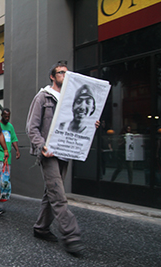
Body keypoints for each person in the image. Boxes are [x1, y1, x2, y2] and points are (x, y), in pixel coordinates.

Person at [26, 61, 99, 255]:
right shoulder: (43, 97)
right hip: (48, 153)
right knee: (58, 194)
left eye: (67, 73)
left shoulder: (71, 99)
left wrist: (92, 122)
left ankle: (41, 228)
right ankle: (71, 236)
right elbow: (31, 127)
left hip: (65, 152)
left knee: (51, 192)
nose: (64, 76)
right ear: (52, 76)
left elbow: (78, 122)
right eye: (60, 73)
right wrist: (42, 146)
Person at [0, 108, 20, 201]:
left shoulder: (10, 127)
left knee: (5, 178)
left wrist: (17, 150)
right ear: (2, 115)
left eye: (8, 116)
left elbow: (14, 139)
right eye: (5, 116)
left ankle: (2, 195)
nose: (7, 118)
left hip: (7, 157)